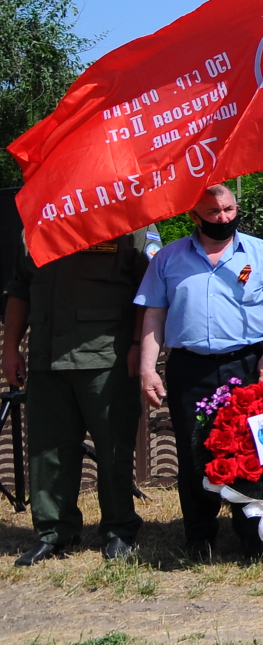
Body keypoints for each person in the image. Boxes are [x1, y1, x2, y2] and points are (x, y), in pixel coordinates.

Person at [135, 184, 263, 558]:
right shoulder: (168, 258)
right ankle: (199, 536)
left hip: (246, 365)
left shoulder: (260, 253)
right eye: (213, 212)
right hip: (189, 368)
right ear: (193, 216)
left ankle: (256, 532)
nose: (224, 218)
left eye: (228, 209)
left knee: (257, 449)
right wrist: (149, 369)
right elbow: (154, 315)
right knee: (195, 453)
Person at [5, 226, 153, 564]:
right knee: (47, 450)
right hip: (47, 357)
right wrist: (10, 347)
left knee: (114, 446)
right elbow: (20, 289)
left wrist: (136, 345)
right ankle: (54, 532)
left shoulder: (130, 221)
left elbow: (150, 291)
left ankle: (118, 529)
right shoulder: (37, 225)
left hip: (106, 358)